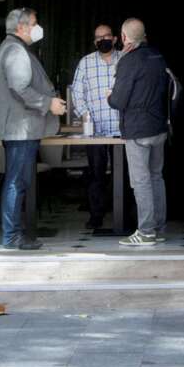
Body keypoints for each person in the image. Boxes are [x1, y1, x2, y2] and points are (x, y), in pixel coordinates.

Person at [0, 8, 66, 250]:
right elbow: (20, 88)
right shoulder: (15, 51)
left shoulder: (13, 48)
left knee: (17, 180)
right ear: (21, 27)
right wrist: (48, 103)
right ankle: (11, 236)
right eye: (34, 23)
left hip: (20, 128)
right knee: (16, 181)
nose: (37, 27)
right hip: (20, 129)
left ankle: (13, 234)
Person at [107, 18, 171, 247]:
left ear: (124, 37)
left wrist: (109, 96)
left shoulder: (129, 61)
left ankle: (145, 232)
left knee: (141, 180)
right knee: (156, 177)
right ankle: (158, 228)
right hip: (159, 127)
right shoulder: (157, 56)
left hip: (137, 130)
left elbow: (118, 100)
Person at [70, 24, 121, 229]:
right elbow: (77, 92)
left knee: (124, 175)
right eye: (98, 38)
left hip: (122, 128)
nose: (102, 40)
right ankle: (96, 216)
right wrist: (84, 115)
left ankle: (124, 215)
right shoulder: (86, 63)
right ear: (94, 42)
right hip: (95, 129)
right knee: (96, 174)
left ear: (115, 38)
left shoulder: (125, 60)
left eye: (106, 36)